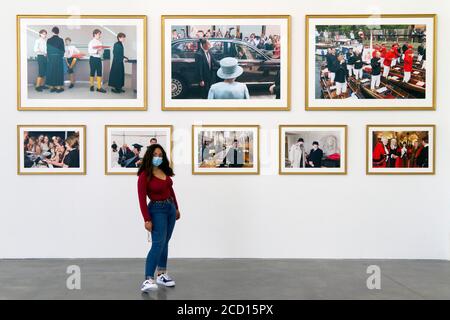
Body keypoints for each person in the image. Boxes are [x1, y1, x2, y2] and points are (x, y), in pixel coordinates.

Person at [138, 144, 180, 292]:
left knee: (165, 242)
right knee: (157, 244)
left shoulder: (164, 171)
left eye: (160, 155)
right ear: (150, 156)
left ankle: (161, 274)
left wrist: (176, 207)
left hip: (169, 208)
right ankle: (148, 279)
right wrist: (147, 219)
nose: (158, 157)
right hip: (157, 210)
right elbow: (142, 199)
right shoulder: (144, 175)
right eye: (155, 154)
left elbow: (170, 189)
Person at [46, 26, 65, 93]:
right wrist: (60, 56)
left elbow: (47, 50)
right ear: (58, 32)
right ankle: (58, 88)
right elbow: (63, 50)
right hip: (58, 58)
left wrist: (49, 57)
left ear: (52, 32)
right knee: (58, 72)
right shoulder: (61, 40)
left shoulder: (48, 40)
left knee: (52, 72)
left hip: (51, 58)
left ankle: (52, 87)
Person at [88, 29, 106, 93]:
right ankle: (91, 86)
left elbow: (102, 52)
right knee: (92, 72)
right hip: (93, 58)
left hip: (98, 59)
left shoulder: (100, 42)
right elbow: (90, 52)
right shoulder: (91, 42)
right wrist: (97, 51)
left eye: (100, 34)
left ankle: (99, 87)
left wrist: (101, 51)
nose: (100, 35)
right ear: (95, 34)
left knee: (99, 72)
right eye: (99, 34)